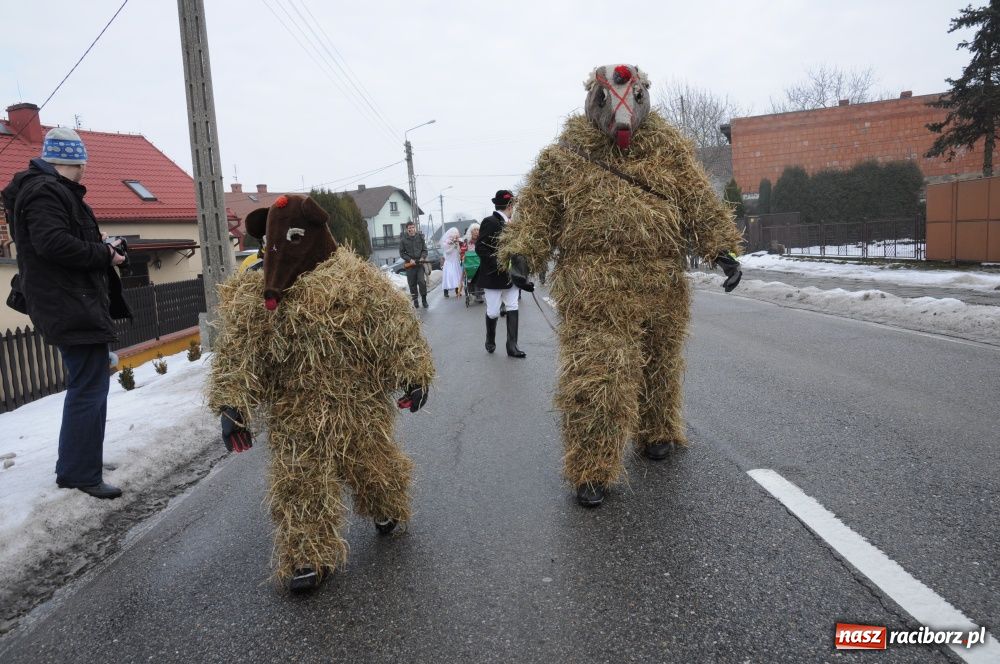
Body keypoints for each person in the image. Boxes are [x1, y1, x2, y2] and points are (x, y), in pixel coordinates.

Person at [498, 64, 743, 508]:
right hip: (595, 287)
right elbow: (537, 211)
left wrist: (721, 249)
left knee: (658, 364)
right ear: (592, 98)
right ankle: (591, 467)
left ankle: (657, 430)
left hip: (661, 281)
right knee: (599, 377)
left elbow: (699, 203)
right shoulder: (566, 155)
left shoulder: (669, 152)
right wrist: (522, 254)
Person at [1, 127, 131, 499]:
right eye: (83, 163)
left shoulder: (50, 190)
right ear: (75, 161)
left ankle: (82, 459)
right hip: (69, 304)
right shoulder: (45, 191)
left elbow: (61, 240)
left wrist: (103, 247)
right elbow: (52, 243)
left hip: (72, 300)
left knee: (91, 385)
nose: (85, 170)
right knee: (88, 388)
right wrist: (106, 254)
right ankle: (78, 472)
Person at [476, 190, 530, 358]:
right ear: (509, 206)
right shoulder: (490, 221)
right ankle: (490, 338)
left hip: (511, 275)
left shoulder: (514, 224)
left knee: (513, 306)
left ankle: (512, 346)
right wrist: (498, 263)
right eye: (512, 205)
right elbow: (480, 247)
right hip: (494, 275)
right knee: (493, 311)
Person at [398, 220, 428, 308]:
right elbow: (402, 253)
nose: (411, 229)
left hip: (419, 264)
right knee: (412, 284)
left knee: (422, 282)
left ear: (415, 228)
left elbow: (425, 250)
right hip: (410, 265)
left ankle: (424, 300)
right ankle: (415, 300)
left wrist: (422, 258)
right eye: (409, 228)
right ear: (407, 229)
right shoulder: (403, 240)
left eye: (412, 227)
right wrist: (410, 260)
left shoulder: (420, 237)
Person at [440, 227, 463, 298]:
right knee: (448, 277)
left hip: (456, 261)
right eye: (454, 234)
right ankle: (445, 291)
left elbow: (459, 251)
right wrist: (453, 245)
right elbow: (447, 252)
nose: (455, 236)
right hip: (449, 262)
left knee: (457, 276)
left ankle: (457, 291)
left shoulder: (457, 242)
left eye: (456, 235)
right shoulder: (446, 242)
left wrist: (457, 244)